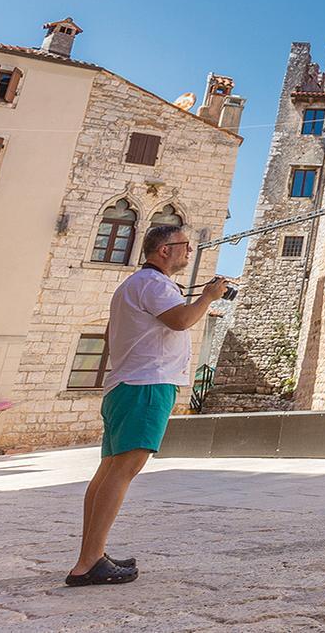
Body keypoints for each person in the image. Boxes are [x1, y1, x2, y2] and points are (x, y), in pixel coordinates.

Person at [67, 224, 228, 586]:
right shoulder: (155, 284)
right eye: (184, 245)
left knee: (108, 471)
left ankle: (91, 555)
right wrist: (209, 297)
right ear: (164, 250)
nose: (190, 251)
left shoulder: (132, 285)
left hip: (125, 385)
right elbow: (181, 320)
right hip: (147, 385)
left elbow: (110, 336)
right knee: (123, 471)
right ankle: (88, 562)